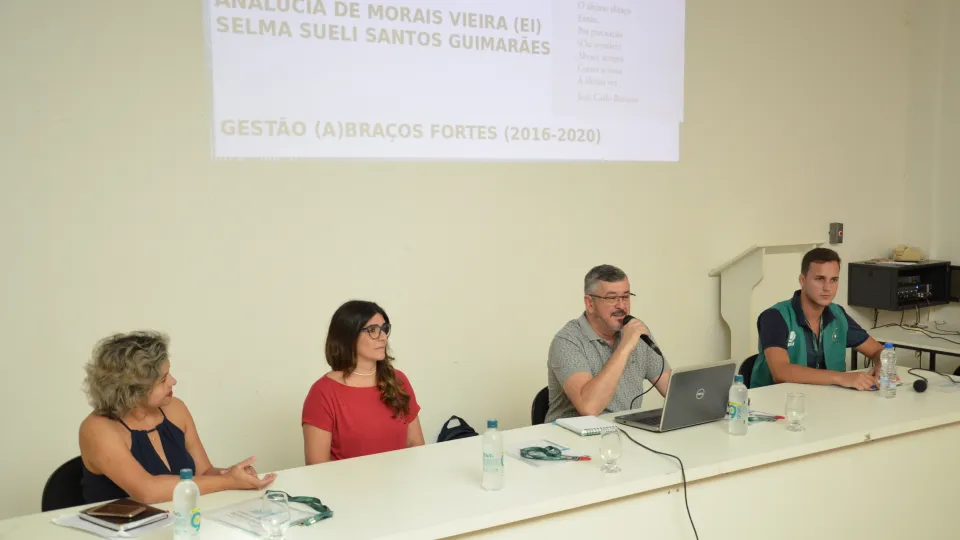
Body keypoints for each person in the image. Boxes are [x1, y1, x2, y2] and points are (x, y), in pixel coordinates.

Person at [79, 331, 276, 504]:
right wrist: (228, 482)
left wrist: (232, 474)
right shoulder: (97, 429)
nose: (173, 381)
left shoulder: (175, 409)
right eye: (163, 379)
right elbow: (147, 491)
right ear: (132, 389)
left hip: (177, 524)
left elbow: (204, 473)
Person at [545, 265, 672, 423]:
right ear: (590, 303)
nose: (621, 306)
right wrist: (625, 347)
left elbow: (672, 390)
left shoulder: (636, 332)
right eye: (612, 298)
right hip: (574, 440)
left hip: (626, 433)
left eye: (625, 297)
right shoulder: (567, 341)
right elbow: (589, 408)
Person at [302, 300, 424, 464]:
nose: (382, 337)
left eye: (384, 329)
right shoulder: (322, 392)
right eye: (372, 330)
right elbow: (317, 468)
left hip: (401, 484)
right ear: (349, 336)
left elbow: (416, 444)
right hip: (348, 488)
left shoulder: (398, 380)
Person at [751, 247, 885, 390]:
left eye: (833, 280)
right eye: (820, 279)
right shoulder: (775, 316)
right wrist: (840, 377)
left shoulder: (837, 314)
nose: (827, 288)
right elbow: (781, 371)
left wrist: (881, 365)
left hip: (824, 402)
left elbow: (878, 350)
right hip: (775, 405)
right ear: (803, 280)